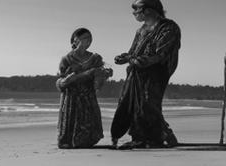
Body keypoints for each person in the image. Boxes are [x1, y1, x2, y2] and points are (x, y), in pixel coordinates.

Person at [111, 0, 180, 149]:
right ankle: (140, 137)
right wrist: (125, 58)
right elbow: (133, 52)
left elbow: (162, 53)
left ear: (149, 10)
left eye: (138, 9)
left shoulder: (168, 27)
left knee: (148, 103)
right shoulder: (141, 29)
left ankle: (153, 138)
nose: (134, 12)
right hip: (136, 72)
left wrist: (140, 60)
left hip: (156, 72)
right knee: (133, 104)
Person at [56, 28, 113, 149]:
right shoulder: (66, 59)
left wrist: (104, 75)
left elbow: (99, 81)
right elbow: (61, 81)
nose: (88, 41)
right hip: (72, 96)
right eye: (85, 38)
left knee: (88, 123)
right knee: (71, 125)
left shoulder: (95, 58)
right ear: (75, 40)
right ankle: (70, 141)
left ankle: (86, 141)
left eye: (90, 38)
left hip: (88, 95)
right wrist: (67, 80)